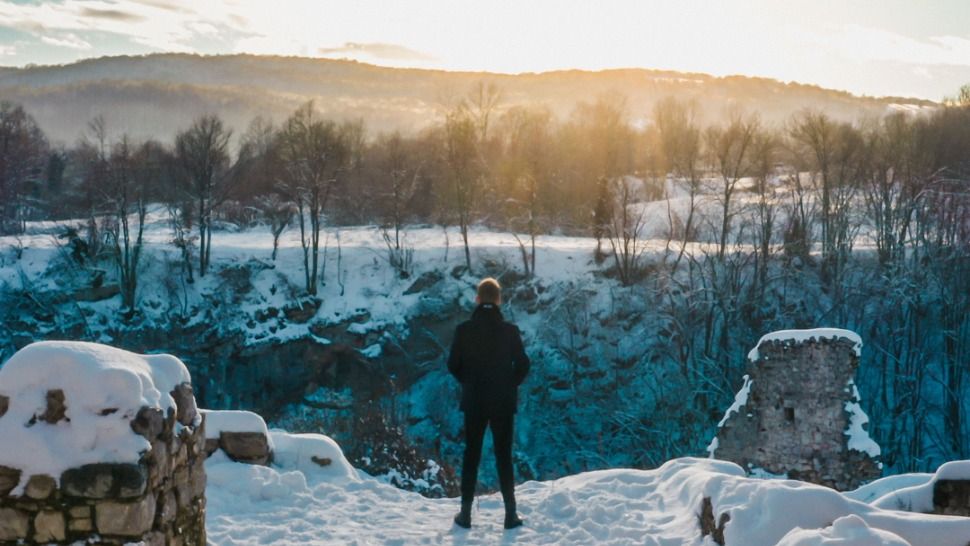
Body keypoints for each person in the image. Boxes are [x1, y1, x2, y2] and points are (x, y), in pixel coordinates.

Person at [447, 277, 530, 530]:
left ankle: (465, 515)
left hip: (474, 402)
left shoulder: (463, 330)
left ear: (477, 299)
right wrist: (508, 385)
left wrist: (469, 382)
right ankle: (510, 516)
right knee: (504, 457)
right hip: (503, 403)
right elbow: (524, 365)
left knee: (471, 456)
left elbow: (453, 365)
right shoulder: (510, 331)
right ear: (498, 300)